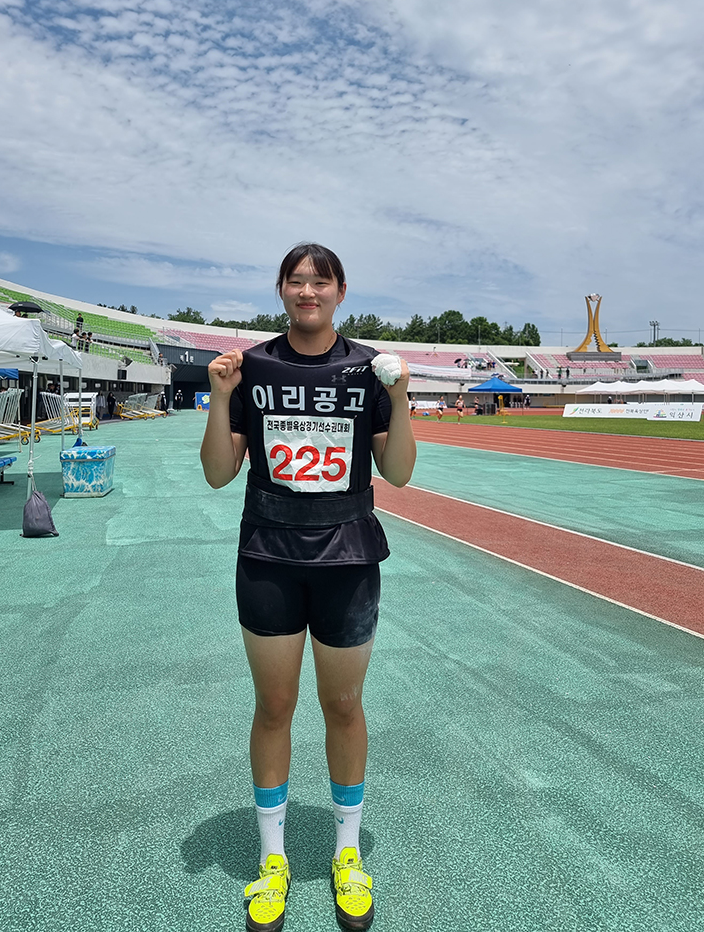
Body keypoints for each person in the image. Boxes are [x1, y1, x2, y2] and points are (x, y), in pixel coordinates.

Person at [200, 243, 415, 932]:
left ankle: (347, 855)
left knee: (344, 703)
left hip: (348, 557)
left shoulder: (367, 370)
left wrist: (402, 396)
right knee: (275, 704)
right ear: (281, 290)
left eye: (320, 280)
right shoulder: (253, 367)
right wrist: (222, 397)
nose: (308, 290)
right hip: (268, 553)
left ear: (341, 291)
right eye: (297, 279)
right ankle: (273, 861)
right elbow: (216, 472)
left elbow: (401, 471)